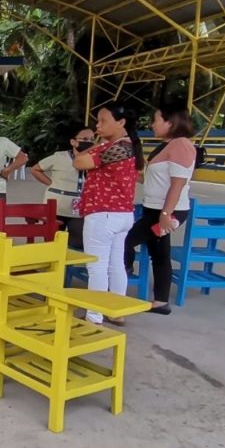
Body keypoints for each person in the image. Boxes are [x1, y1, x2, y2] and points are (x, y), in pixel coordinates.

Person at [73, 103, 144, 326]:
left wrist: (91, 145)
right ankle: (116, 311)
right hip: (122, 214)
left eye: (103, 121)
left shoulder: (114, 148)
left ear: (121, 123)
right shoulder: (128, 145)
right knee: (115, 263)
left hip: (103, 213)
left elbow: (79, 161)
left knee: (97, 265)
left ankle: (94, 315)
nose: (98, 126)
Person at [124, 108, 196, 315]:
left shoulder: (181, 144)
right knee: (159, 253)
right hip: (154, 208)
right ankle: (161, 301)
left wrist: (166, 214)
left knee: (125, 240)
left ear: (170, 122)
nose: (152, 125)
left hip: (166, 211)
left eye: (156, 120)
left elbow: (178, 183)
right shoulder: (167, 145)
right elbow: (152, 179)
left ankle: (124, 273)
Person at [31, 126, 96, 249]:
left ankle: (67, 266)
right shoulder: (59, 157)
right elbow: (35, 169)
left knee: (77, 242)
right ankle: (52, 265)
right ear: (73, 142)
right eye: (85, 139)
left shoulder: (94, 159)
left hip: (79, 208)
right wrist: (51, 183)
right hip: (56, 206)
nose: (89, 142)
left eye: (92, 139)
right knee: (52, 241)